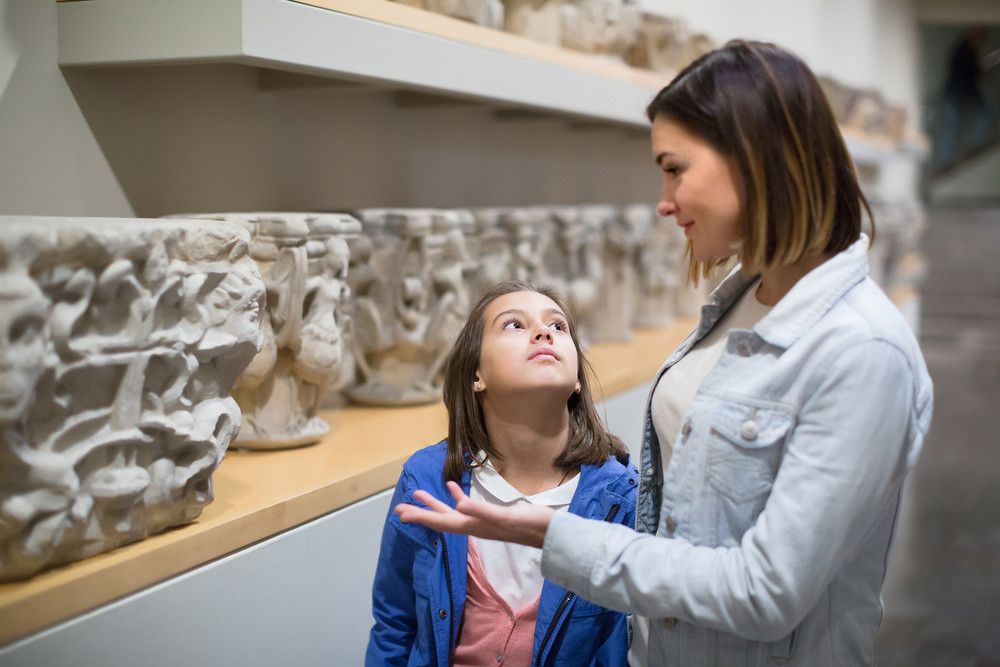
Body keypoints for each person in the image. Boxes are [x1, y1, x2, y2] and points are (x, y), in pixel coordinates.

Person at [395, 40, 934, 666]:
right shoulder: (740, 301)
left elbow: (766, 593)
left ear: (754, 158)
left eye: (675, 167)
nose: (664, 198)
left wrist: (556, 536)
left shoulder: (862, 351)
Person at [366, 280, 638, 666]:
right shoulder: (426, 480)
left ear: (577, 379)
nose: (544, 332)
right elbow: (395, 625)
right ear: (476, 374)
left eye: (558, 327)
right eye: (514, 325)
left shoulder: (622, 500)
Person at [934, 26, 996, 170]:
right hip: (957, 94)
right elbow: (968, 72)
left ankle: (970, 146)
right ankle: (946, 161)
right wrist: (980, 69)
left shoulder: (967, 49)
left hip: (961, 94)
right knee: (951, 126)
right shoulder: (963, 49)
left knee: (955, 125)